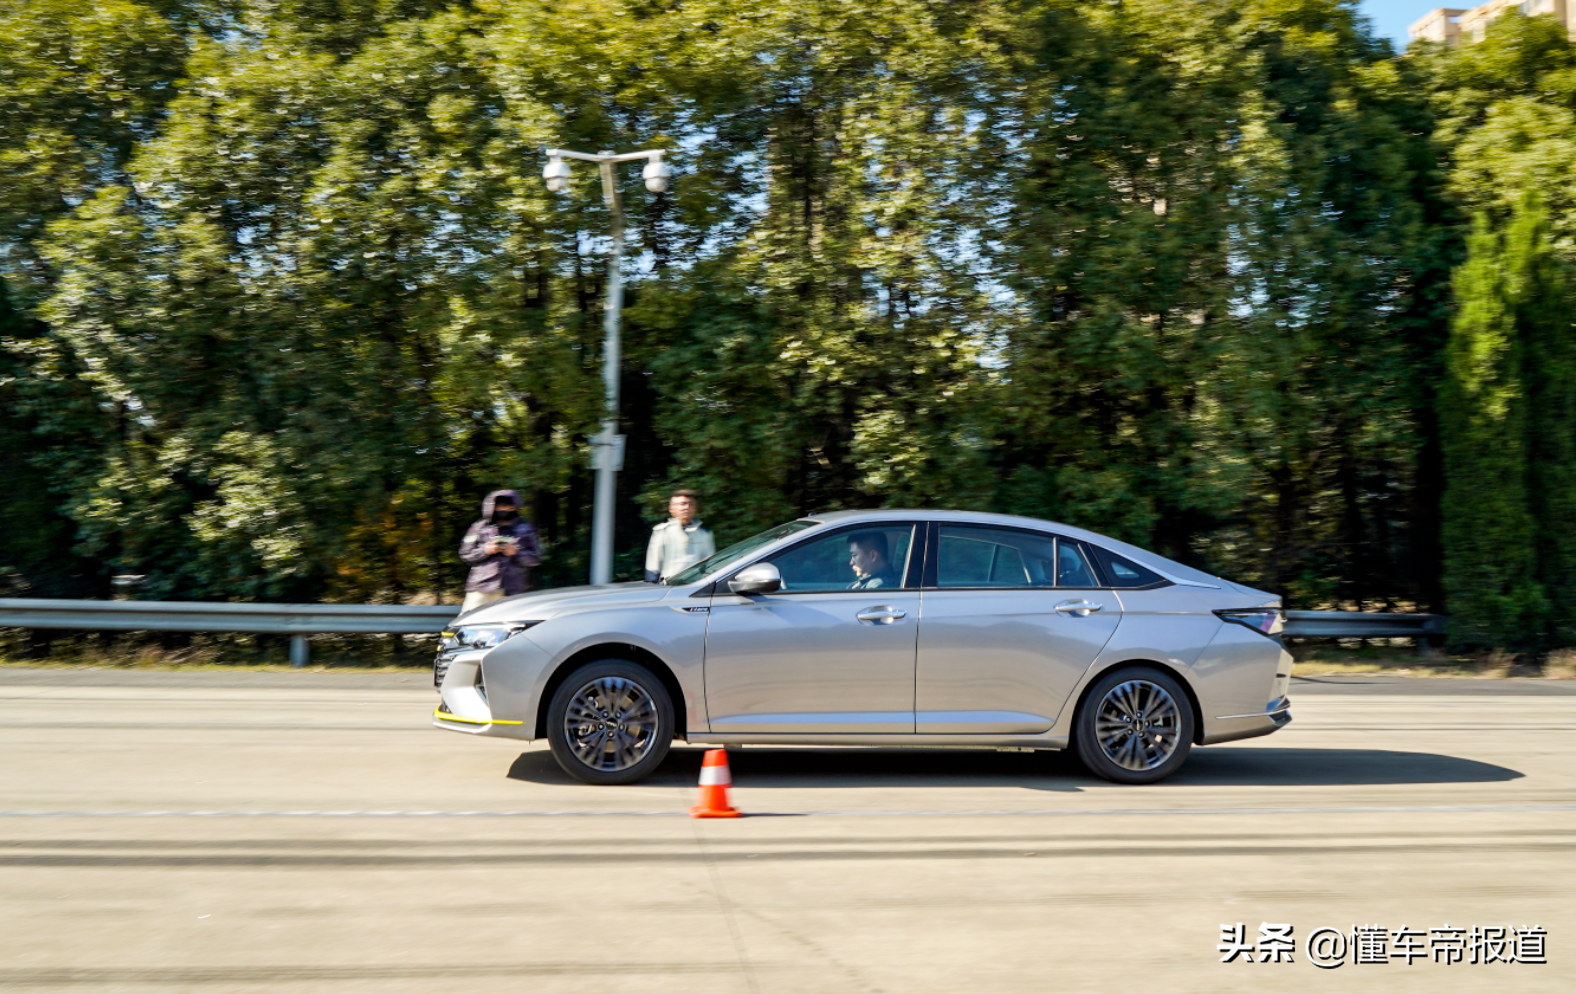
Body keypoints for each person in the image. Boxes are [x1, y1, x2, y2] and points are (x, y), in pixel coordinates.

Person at [459, 489, 541, 612]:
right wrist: (485, 550)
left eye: (510, 506)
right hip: (481, 587)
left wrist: (516, 553)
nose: (506, 509)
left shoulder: (526, 529)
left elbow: (535, 558)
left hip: (512, 589)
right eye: (502, 505)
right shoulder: (479, 527)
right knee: (467, 623)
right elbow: (465, 553)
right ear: (492, 506)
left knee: (509, 628)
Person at [645, 489, 715, 582]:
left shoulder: (704, 533)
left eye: (690, 504)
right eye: (682, 504)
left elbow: (711, 564)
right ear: (671, 508)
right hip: (669, 586)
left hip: (697, 586)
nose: (686, 507)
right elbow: (653, 565)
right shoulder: (662, 532)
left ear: (695, 508)